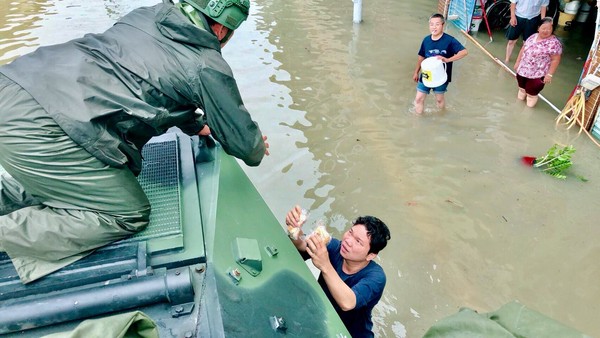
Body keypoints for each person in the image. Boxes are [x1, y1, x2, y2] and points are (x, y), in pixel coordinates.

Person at [0, 0, 269, 284]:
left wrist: (198, 125)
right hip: (50, 126)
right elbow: (246, 148)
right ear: (220, 28)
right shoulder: (206, 65)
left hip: (14, 90)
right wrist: (258, 145)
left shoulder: (145, 16)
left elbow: (148, 82)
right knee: (127, 213)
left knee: (55, 179)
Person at [285, 205, 391, 338]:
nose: (348, 241)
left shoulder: (376, 277)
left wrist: (325, 265)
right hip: (320, 318)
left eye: (358, 241)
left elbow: (348, 303)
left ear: (370, 255)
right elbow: (303, 245)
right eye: (351, 232)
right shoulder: (335, 247)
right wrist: (294, 229)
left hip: (348, 333)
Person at [412, 13, 468, 114]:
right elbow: (421, 57)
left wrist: (447, 60)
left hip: (441, 75)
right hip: (426, 74)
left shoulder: (450, 40)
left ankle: (441, 117)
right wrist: (416, 72)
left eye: (437, 24)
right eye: (432, 24)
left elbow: (464, 52)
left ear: (443, 25)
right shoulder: (426, 40)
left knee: (439, 100)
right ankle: (417, 121)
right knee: (419, 99)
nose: (434, 27)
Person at [514, 17, 562, 107]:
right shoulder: (533, 36)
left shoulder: (554, 44)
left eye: (549, 29)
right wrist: (517, 62)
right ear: (538, 28)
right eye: (543, 28)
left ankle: (526, 114)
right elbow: (523, 48)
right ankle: (517, 108)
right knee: (521, 89)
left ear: (552, 29)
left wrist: (549, 75)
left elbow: (555, 60)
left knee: (531, 95)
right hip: (523, 70)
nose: (546, 31)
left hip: (538, 74)